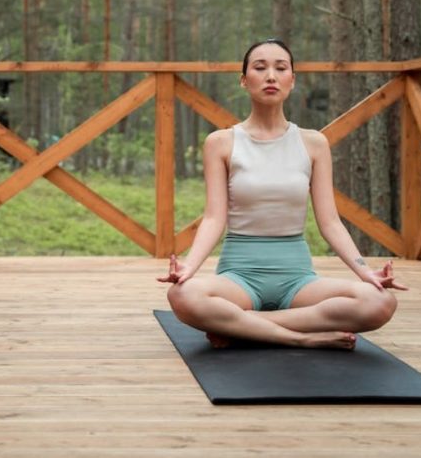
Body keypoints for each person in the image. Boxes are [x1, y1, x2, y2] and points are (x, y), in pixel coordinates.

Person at [159, 38, 406, 350]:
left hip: (298, 281)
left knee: (379, 303)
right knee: (182, 296)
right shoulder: (220, 142)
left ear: (293, 79)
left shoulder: (313, 143)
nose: (271, 76)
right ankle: (299, 336)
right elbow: (213, 218)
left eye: (281, 68)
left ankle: (241, 327)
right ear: (244, 80)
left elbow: (330, 222)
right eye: (260, 68)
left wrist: (364, 270)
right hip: (239, 279)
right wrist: (188, 268)